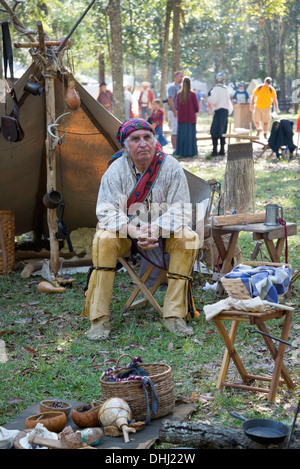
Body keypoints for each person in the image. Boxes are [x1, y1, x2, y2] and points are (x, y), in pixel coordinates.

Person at [82, 118, 200, 340]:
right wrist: (134, 231)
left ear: (155, 141)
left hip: (163, 233)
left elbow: (182, 210)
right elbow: (106, 210)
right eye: (135, 139)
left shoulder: (170, 166)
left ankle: (174, 315)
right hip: (127, 234)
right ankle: (99, 319)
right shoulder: (115, 171)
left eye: (147, 137)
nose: (142, 143)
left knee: (189, 238)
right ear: (126, 147)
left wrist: (155, 229)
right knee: (103, 239)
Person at [207, 71, 233, 156]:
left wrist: (209, 96)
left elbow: (213, 101)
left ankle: (215, 151)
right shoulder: (226, 89)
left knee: (214, 131)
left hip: (219, 111)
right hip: (225, 111)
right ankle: (222, 150)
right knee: (223, 131)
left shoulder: (216, 89)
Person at [175, 77, 199, 157]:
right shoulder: (192, 94)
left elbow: (177, 107)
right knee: (190, 136)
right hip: (190, 119)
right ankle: (190, 152)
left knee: (182, 136)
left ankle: (181, 152)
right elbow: (197, 108)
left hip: (181, 119)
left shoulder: (179, 94)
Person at [167, 71, 184, 152]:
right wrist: (174, 112)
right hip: (174, 111)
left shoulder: (180, 88)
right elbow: (170, 100)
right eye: (180, 76)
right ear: (176, 77)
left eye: (182, 76)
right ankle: (174, 149)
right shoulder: (173, 87)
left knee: (178, 130)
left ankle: (178, 147)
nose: (182, 78)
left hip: (179, 111)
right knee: (174, 130)